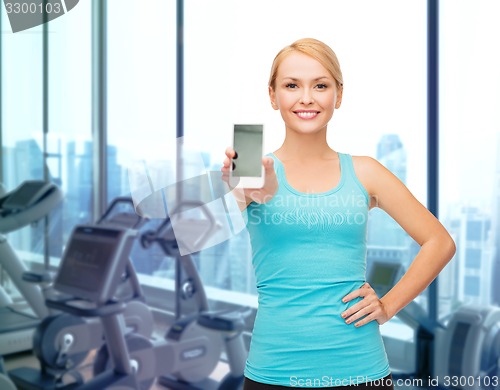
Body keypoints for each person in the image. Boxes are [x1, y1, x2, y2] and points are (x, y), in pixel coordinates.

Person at [221, 38, 456, 389]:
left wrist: (388, 305)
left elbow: (439, 242)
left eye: (320, 85)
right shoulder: (250, 168)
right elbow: (189, 234)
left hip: (361, 371)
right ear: (272, 96)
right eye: (291, 85)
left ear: (338, 95)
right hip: (274, 372)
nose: (306, 98)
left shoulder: (366, 172)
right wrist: (241, 194)